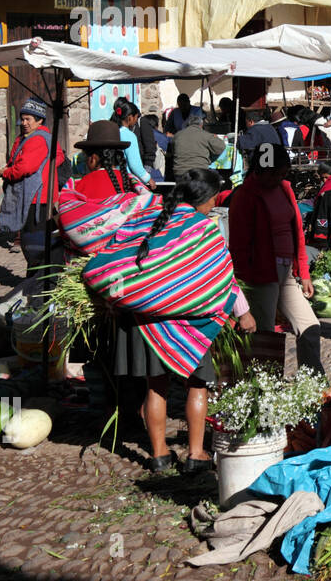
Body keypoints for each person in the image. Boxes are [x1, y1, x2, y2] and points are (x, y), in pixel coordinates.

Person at [91, 168, 255, 473]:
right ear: (207, 198)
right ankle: (196, 454)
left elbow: (112, 256)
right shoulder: (204, 230)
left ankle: (159, 455)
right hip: (190, 326)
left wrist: (113, 296)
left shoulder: (148, 218)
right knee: (197, 385)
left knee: (156, 387)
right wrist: (243, 312)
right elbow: (222, 276)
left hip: (146, 321)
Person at [228, 144, 321, 375]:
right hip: (261, 276)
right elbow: (238, 247)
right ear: (261, 171)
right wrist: (242, 290)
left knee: (310, 326)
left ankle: (313, 384)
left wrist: (304, 273)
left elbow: (297, 233)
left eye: (283, 173)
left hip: (287, 273)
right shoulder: (244, 197)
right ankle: (264, 390)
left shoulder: (285, 188)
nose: (280, 177)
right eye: (276, 173)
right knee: (265, 336)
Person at [0, 98, 65, 272]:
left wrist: (6, 173)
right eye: (23, 118)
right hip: (37, 196)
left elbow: (24, 168)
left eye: (28, 119)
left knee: (34, 242)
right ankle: (41, 275)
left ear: (40, 120)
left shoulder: (38, 139)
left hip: (35, 197)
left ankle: (40, 277)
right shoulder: (27, 138)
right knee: (41, 238)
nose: (24, 122)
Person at [111, 97, 154, 187]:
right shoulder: (129, 136)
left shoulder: (113, 131)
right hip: (126, 180)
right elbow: (134, 164)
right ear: (130, 118)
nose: (136, 121)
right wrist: (148, 179)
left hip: (112, 177)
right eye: (136, 118)